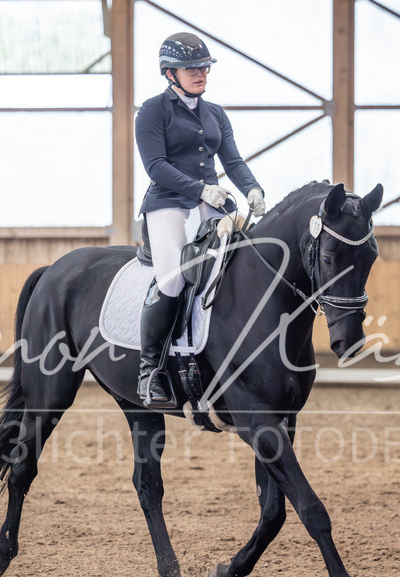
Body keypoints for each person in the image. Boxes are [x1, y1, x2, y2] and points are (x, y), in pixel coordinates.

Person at [134, 31, 266, 406]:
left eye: (204, 67)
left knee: (246, 262)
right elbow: (156, 166)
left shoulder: (216, 114)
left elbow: (233, 162)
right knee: (173, 279)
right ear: (170, 73)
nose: (200, 73)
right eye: (191, 68)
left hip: (213, 203)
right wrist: (200, 190)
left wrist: (253, 188)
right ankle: (150, 371)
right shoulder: (152, 110)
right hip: (169, 204)